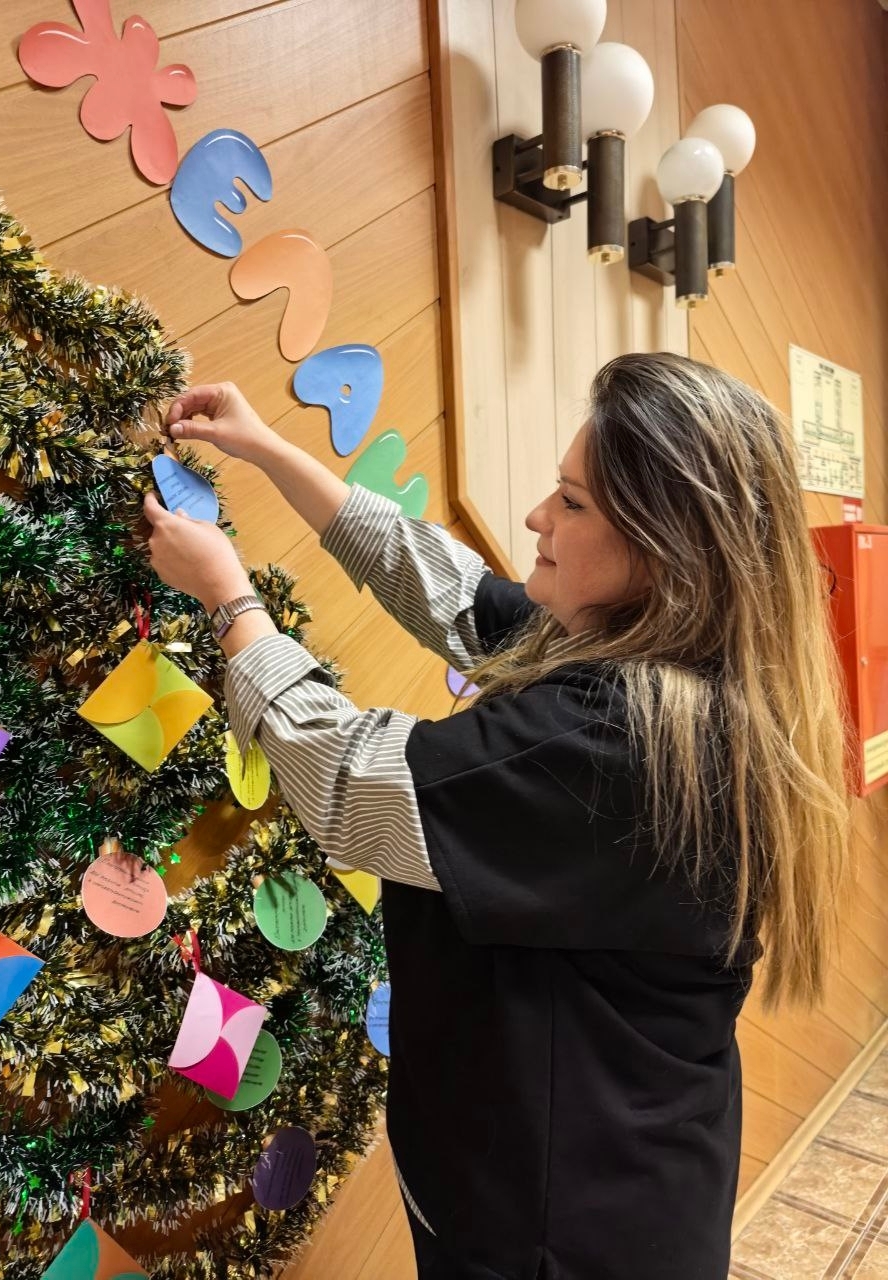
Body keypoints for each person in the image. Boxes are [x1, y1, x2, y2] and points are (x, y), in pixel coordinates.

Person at [144, 352, 850, 1280]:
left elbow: (348, 783)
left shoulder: (619, 743)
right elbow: (452, 591)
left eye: (573, 503)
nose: (537, 518)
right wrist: (269, 449)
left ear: (664, 550)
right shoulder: (659, 659)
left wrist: (230, 601)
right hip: (627, 1166)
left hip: (562, 1224)